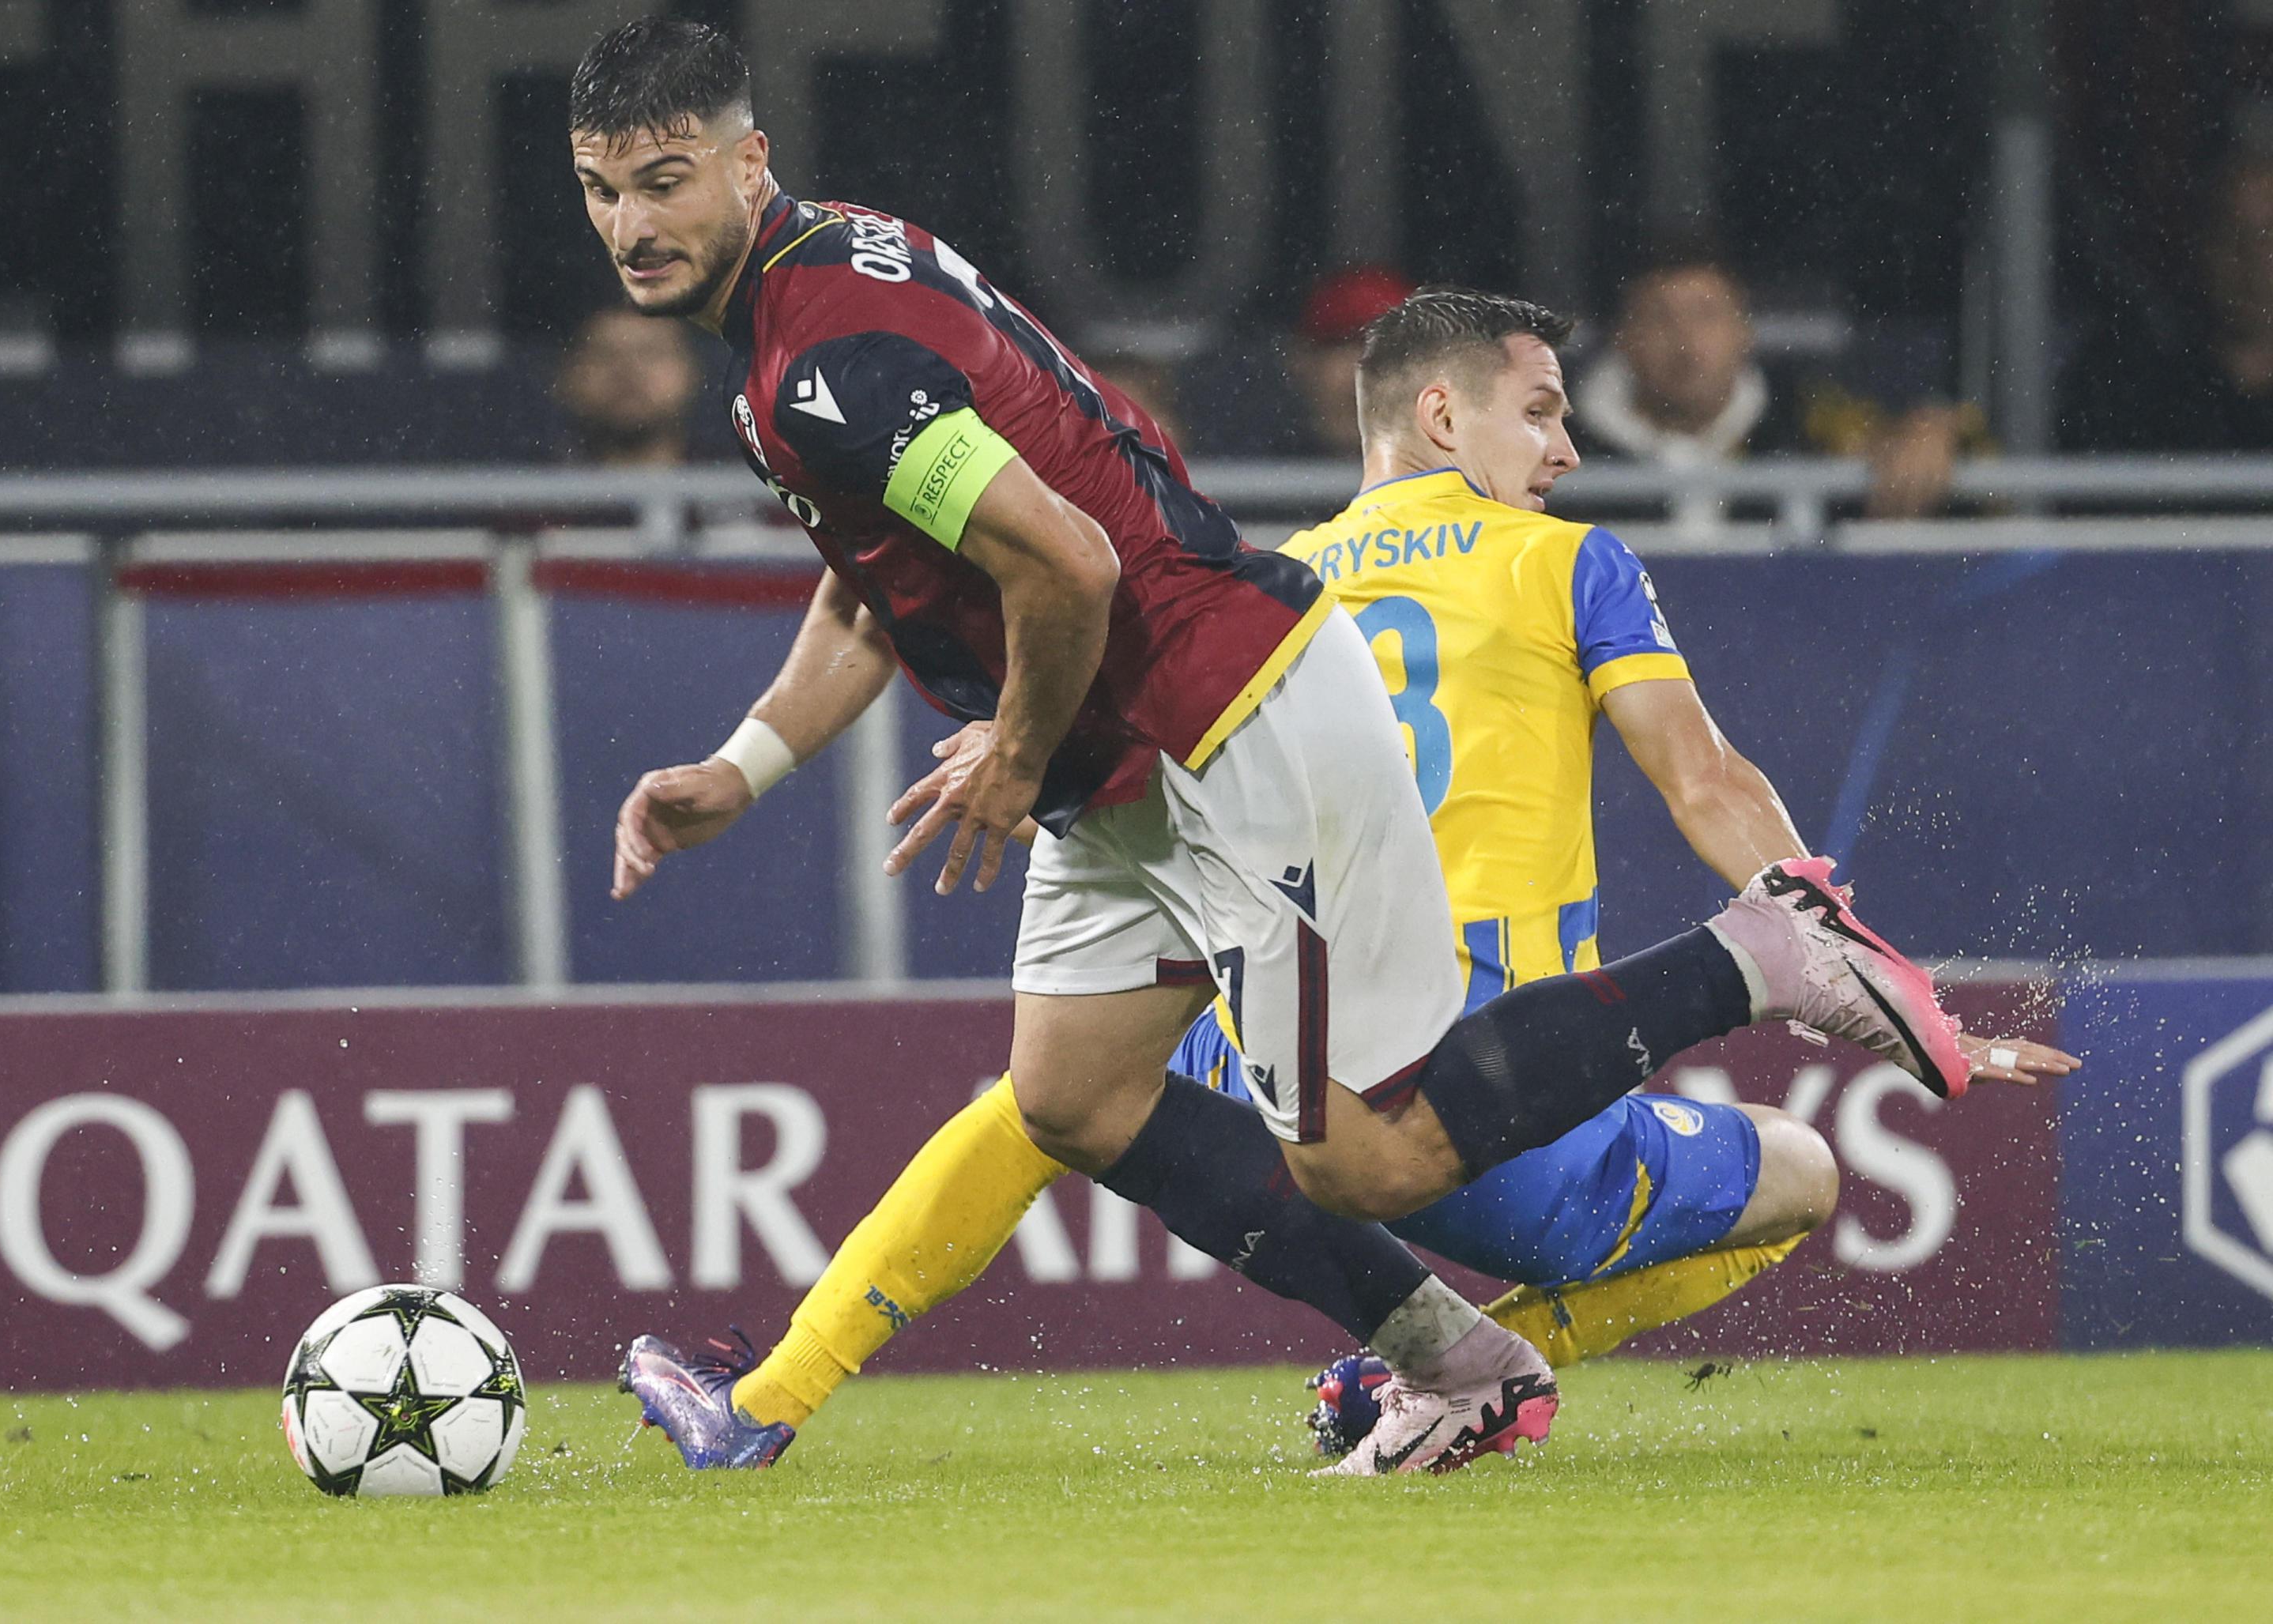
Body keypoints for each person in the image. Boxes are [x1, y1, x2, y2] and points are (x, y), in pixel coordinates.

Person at [575, 17, 1969, 1476]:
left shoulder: (824, 362)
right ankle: (1462, 1363)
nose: (630, 225)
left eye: (662, 182)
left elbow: (1064, 566)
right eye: (603, 191)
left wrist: (1012, 750)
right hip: (1124, 757)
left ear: (748, 164)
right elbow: (883, 567)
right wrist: (745, 766)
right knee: (1068, 1093)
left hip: (1217, 722)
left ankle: (1758, 955)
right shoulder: (828, 278)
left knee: (1365, 1157)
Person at [1575, 246, 1976, 526]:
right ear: (1622, 337)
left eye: (1707, 315)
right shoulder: (1557, 445)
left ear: (1744, 331)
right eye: (1659, 318)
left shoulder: (1813, 423)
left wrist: (1935, 430)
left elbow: (1993, 500)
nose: (1685, 342)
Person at [2062, 151, 2273, 451]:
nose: (2249, 258)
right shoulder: (2149, 394)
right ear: (2204, 245)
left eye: (2267, 235)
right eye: (2231, 233)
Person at [553, 303, 708, 466]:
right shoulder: (535, 483)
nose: (629, 370)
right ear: (568, 376)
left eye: (650, 352)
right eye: (605, 355)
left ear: (691, 372)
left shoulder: (733, 479)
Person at [1288, 266, 1415, 458]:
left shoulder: (1463, 480)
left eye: (1390, 351)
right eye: (1339, 345)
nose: (1360, 372)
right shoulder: (1250, 469)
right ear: (1300, 362)